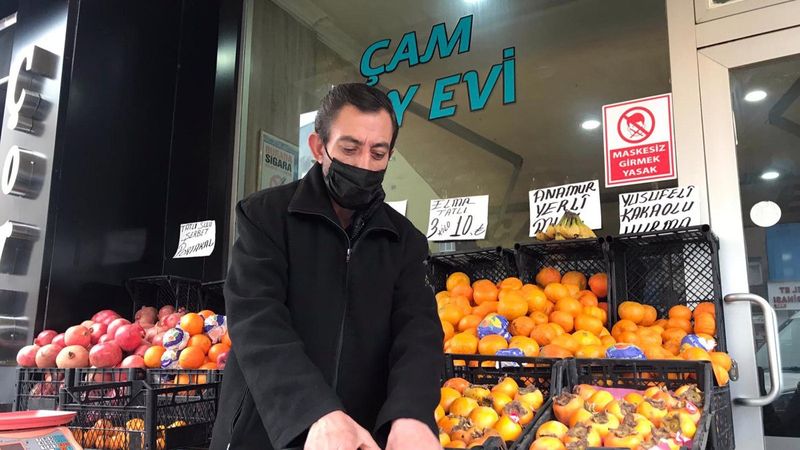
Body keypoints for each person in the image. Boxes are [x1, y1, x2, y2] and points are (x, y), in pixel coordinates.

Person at [211, 83, 444, 450]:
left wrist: (411, 413)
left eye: (378, 153)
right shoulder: (266, 216)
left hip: (360, 436)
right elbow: (257, 319)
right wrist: (315, 411)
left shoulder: (404, 240)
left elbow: (418, 332)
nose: (364, 165)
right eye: (349, 149)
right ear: (319, 148)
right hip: (267, 430)